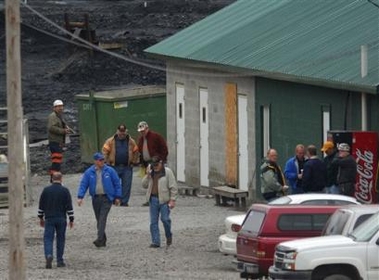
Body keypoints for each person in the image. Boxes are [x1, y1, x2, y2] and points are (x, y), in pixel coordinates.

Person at [77, 152, 121, 247]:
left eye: (103, 160)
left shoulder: (110, 171)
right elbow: (83, 184)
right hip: (96, 198)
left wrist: (117, 197)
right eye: (100, 160)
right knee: (99, 219)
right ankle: (103, 240)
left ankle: (99, 239)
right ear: (95, 161)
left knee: (102, 218)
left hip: (107, 198)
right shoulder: (89, 172)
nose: (102, 162)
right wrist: (80, 197)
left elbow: (117, 183)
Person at [38, 172, 74, 269]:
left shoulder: (46, 190)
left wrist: (40, 217)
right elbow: (69, 207)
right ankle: (60, 261)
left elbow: (41, 206)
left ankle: (49, 255)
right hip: (61, 218)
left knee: (48, 238)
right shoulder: (65, 191)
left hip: (49, 218)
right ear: (61, 179)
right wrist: (71, 219)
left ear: (52, 179)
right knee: (60, 239)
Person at [141, 156, 178, 248]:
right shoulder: (151, 173)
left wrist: (173, 200)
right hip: (153, 200)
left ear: (161, 163)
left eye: (157, 165)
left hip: (164, 201)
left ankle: (168, 234)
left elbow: (173, 187)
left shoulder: (167, 172)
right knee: (153, 222)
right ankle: (155, 242)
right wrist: (147, 176)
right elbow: (144, 185)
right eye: (154, 165)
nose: (156, 167)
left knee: (165, 219)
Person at [102, 124, 139, 206]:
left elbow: (136, 152)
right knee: (113, 184)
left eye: (123, 132)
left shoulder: (131, 141)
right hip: (113, 166)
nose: (122, 134)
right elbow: (104, 152)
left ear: (126, 131)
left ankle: (124, 202)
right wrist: (106, 162)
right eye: (120, 132)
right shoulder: (110, 141)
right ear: (117, 131)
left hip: (127, 167)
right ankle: (113, 200)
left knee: (127, 185)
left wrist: (133, 162)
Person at [137, 121, 168, 206]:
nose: (142, 132)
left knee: (154, 181)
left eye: (143, 130)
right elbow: (140, 152)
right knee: (148, 181)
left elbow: (164, 148)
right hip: (147, 164)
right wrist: (142, 163)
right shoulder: (141, 139)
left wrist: (161, 160)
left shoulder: (156, 136)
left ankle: (152, 200)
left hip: (156, 163)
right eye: (141, 131)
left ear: (147, 128)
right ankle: (152, 199)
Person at [47, 99, 71, 181]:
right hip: (55, 142)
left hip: (58, 142)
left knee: (57, 161)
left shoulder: (58, 116)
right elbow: (51, 128)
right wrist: (63, 131)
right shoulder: (53, 116)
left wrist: (65, 127)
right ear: (54, 108)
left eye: (62, 106)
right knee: (56, 161)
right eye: (59, 106)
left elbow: (58, 125)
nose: (61, 108)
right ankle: (54, 178)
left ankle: (54, 178)